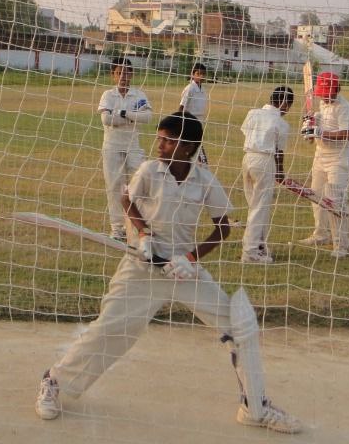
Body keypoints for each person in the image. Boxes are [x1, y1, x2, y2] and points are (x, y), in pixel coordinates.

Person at [34, 113, 303, 434]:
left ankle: (255, 406)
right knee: (110, 330)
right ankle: (54, 381)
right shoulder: (149, 170)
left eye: (168, 139)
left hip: (183, 271)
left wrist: (190, 258)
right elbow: (126, 199)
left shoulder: (204, 179)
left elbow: (223, 228)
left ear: (188, 147)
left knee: (238, 327)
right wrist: (144, 234)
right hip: (141, 268)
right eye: (159, 138)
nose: (159, 145)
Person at [297, 72, 349, 258]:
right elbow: (313, 138)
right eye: (321, 92)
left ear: (336, 89)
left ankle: (341, 243)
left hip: (339, 158)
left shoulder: (346, 107)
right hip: (320, 156)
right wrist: (309, 130)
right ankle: (321, 234)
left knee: (335, 199)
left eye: (327, 92)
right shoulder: (321, 104)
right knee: (316, 195)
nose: (323, 96)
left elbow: (346, 134)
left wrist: (321, 132)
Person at [98, 57, 153, 240]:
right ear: (113, 75)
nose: (123, 76)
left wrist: (121, 114)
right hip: (112, 146)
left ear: (132, 74)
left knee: (140, 184)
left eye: (126, 72)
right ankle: (117, 228)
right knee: (115, 186)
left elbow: (147, 118)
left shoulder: (139, 95)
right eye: (119, 72)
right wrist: (132, 117)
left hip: (133, 146)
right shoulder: (108, 95)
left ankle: (140, 226)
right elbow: (106, 120)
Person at [239, 86, 294, 263]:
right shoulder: (281, 123)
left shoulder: (252, 113)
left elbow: (246, 132)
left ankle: (258, 246)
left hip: (247, 159)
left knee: (254, 206)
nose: (287, 110)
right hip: (264, 161)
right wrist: (280, 172)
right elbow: (279, 151)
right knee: (259, 208)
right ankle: (251, 252)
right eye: (288, 105)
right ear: (284, 103)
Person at [177, 62, 211, 164]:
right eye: (198, 74)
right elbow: (181, 107)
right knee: (199, 153)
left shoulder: (203, 90)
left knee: (191, 151)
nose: (201, 76)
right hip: (190, 123)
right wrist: (180, 124)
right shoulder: (189, 89)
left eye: (203, 74)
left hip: (199, 123)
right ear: (193, 74)